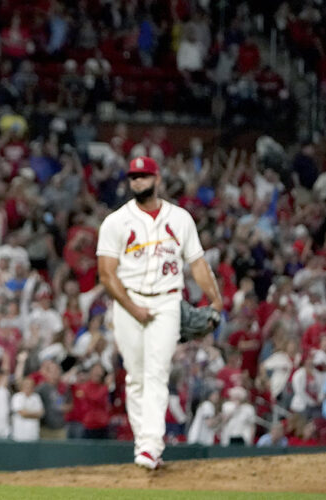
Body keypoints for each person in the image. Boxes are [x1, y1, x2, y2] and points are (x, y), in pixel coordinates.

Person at [96, 156, 223, 470]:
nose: (138, 181)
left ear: (157, 179)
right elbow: (106, 275)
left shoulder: (179, 219)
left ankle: (151, 444)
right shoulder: (115, 222)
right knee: (136, 377)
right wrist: (133, 308)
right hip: (128, 300)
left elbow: (197, 264)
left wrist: (215, 299)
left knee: (156, 372)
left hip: (167, 301)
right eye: (134, 176)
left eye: (144, 175)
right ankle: (144, 444)